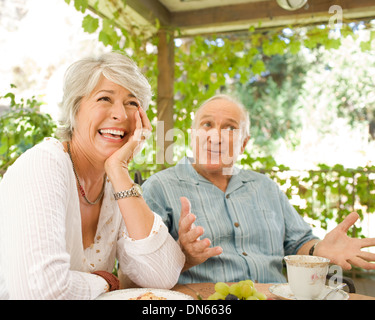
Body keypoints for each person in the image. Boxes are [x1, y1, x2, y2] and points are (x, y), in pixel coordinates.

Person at [0, 52, 185, 299]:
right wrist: (104, 282)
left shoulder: (112, 182)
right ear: (75, 110)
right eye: (105, 98)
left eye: (132, 103)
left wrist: (119, 172)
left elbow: (162, 276)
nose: (120, 114)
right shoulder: (44, 163)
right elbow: (40, 292)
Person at [142, 94, 375, 284]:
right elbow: (142, 270)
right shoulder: (160, 187)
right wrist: (183, 256)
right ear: (193, 136)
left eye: (230, 128)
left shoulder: (266, 188)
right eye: (207, 124)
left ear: (243, 143)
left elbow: (298, 243)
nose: (216, 136)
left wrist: (318, 248)